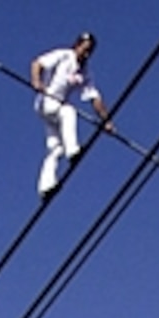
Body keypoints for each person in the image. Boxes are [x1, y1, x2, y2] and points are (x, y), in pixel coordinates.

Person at [30, 31, 109, 197]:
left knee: (55, 148)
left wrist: (106, 120)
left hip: (54, 109)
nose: (86, 54)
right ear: (77, 45)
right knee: (69, 112)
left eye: (89, 52)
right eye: (84, 49)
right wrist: (37, 81)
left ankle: (45, 187)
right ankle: (72, 151)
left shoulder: (84, 72)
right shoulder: (64, 55)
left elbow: (94, 97)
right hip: (47, 100)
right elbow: (37, 63)